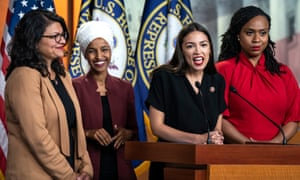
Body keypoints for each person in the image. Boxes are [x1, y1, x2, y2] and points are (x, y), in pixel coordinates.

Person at [4, 9, 93, 179]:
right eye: (55, 36)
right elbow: (38, 138)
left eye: (63, 35)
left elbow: (76, 129)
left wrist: (85, 169)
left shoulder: (63, 75)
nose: (62, 41)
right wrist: (69, 176)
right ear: (34, 40)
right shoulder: (24, 76)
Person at [145, 22, 226, 179]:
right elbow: (157, 127)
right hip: (169, 163)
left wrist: (216, 138)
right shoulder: (164, 77)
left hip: (205, 166)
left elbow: (217, 129)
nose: (198, 51)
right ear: (181, 50)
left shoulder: (217, 81)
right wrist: (199, 139)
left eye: (203, 45)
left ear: (210, 49)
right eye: (190, 46)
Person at [216, 6, 300, 144]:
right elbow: (218, 118)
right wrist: (246, 143)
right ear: (238, 35)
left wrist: (276, 143)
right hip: (234, 154)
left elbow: (293, 118)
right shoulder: (222, 70)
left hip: (277, 155)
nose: (257, 39)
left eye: (263, 33)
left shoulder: (284, 73)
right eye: (249, 33)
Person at [73, 21, 138, 180]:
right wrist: (89, 133)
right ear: (84, 54)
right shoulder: (74, 87)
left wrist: (126, 133)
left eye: (104, 49)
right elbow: (65, 132)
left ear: (111, 51)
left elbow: (135, 131)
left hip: (121, 168)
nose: (99, 56)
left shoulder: (125, 88)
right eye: (92, 51)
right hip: (88, 169)